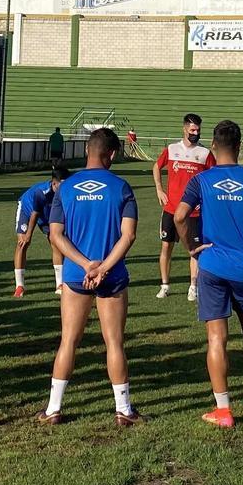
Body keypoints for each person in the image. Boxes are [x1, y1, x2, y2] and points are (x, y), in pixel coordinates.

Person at [174, 120, 243, 428]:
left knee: (216, 338)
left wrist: (191, 247)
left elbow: (180, 215)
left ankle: (223, 410)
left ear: (212, 145)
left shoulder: (202, 180)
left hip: (211, 266)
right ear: (239, 147)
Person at [37, 128, 143, 427]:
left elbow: (56, 236)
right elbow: (129, 235)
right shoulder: (121, 187)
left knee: (69, 340)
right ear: (111, 155)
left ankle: (53, 408)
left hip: (75, 275)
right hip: (112, 276)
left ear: (87, 150)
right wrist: (103, 267)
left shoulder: (66, 188)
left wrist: (86, 265)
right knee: (114, 342)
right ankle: (123, 410)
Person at [152, 113, 214, 301]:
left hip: (194, 212)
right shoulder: (171, 149)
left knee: (194, 249)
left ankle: (193, 286)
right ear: (184, 128)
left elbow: (213, 176)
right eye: (192, 129)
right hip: (171, 209)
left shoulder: (204, 154)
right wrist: (159, 190)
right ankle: (165, 285)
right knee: (166, 247)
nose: (196, 133)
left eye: (198, 130)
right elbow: (156, 167)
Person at [13, 167, 70, 298]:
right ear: (54, 183)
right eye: (62, 184)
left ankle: (60, 284)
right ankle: (19, 285)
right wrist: (28, 235)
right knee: (22, 244)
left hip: (48, 213)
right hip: (28, 210)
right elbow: (35, 214)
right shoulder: (41, 192)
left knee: (56, 242)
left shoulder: (66, 191)